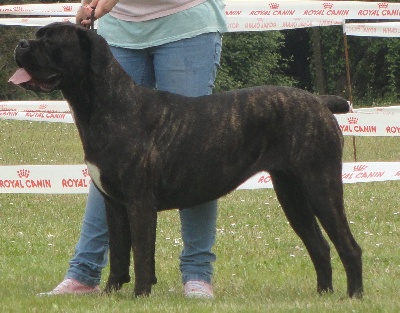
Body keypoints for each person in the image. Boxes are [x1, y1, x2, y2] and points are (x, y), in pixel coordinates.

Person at [39, 0, 227, 299]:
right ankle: (84, 273)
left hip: (186, 24)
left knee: (194, 154)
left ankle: (197, 274)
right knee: (108, 162)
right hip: (119, 31)